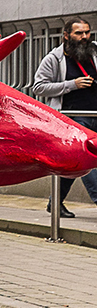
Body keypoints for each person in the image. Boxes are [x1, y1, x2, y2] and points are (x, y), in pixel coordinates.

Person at [28, 16, 97, 214]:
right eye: (79, 33)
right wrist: (71, 85)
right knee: (88, 159)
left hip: (95, 113)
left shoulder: (94, 52)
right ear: (66, 35)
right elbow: (39, 87)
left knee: (73, 164)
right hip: (72, 117)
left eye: (87, 32)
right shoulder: (54, 58)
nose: (84, 37)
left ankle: (55, 202)